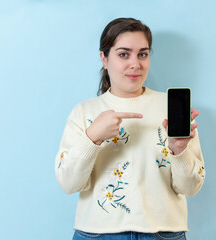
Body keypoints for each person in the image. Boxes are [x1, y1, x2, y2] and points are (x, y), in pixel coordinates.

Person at [55, 17, 205, 240]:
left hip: (163, 233)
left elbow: (191, 188)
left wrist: (179, 151)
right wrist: (93, 137)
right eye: (123, 54)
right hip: (97, 234)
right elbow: (69, 184)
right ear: (104, 59)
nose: (135, 64)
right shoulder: (84, 112)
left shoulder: (171, 108)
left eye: (142, 54)